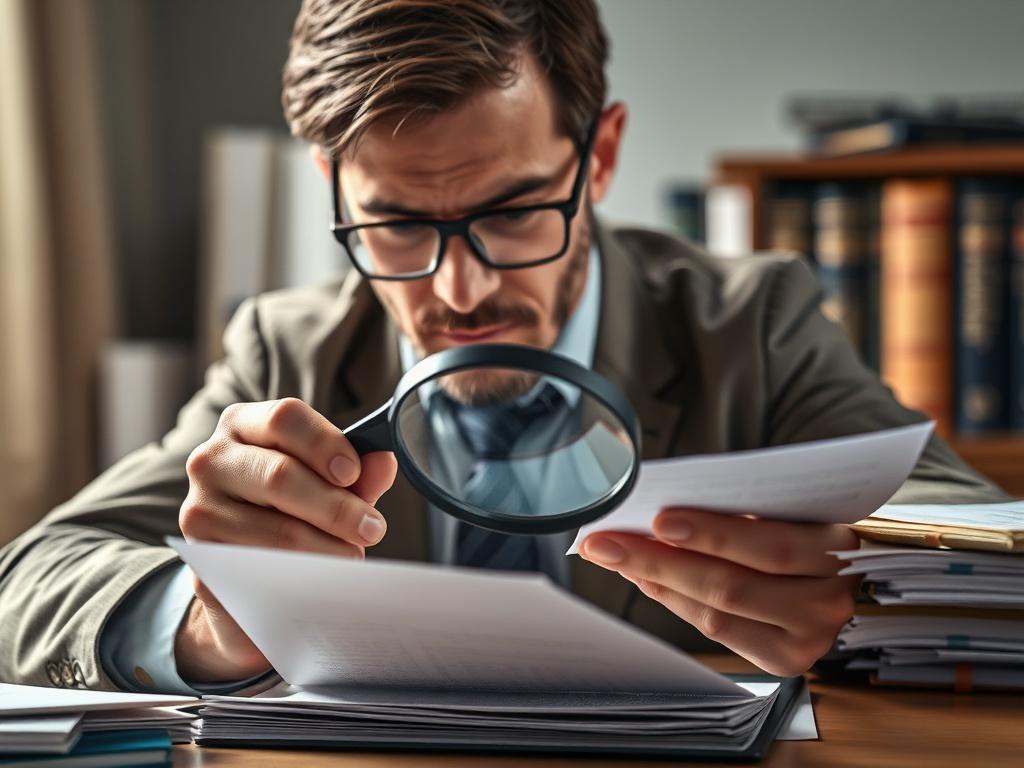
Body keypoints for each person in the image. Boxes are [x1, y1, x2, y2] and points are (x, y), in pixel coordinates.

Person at [0, 0, 1006, 695]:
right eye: (393, 224)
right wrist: (212, 622)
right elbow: (28, 578)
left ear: (599, 156)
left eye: (515, 211)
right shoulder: (288, 352)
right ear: (331, 188)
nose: (458, 290)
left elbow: (984, 546)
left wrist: (864, 604)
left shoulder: (750, 327)